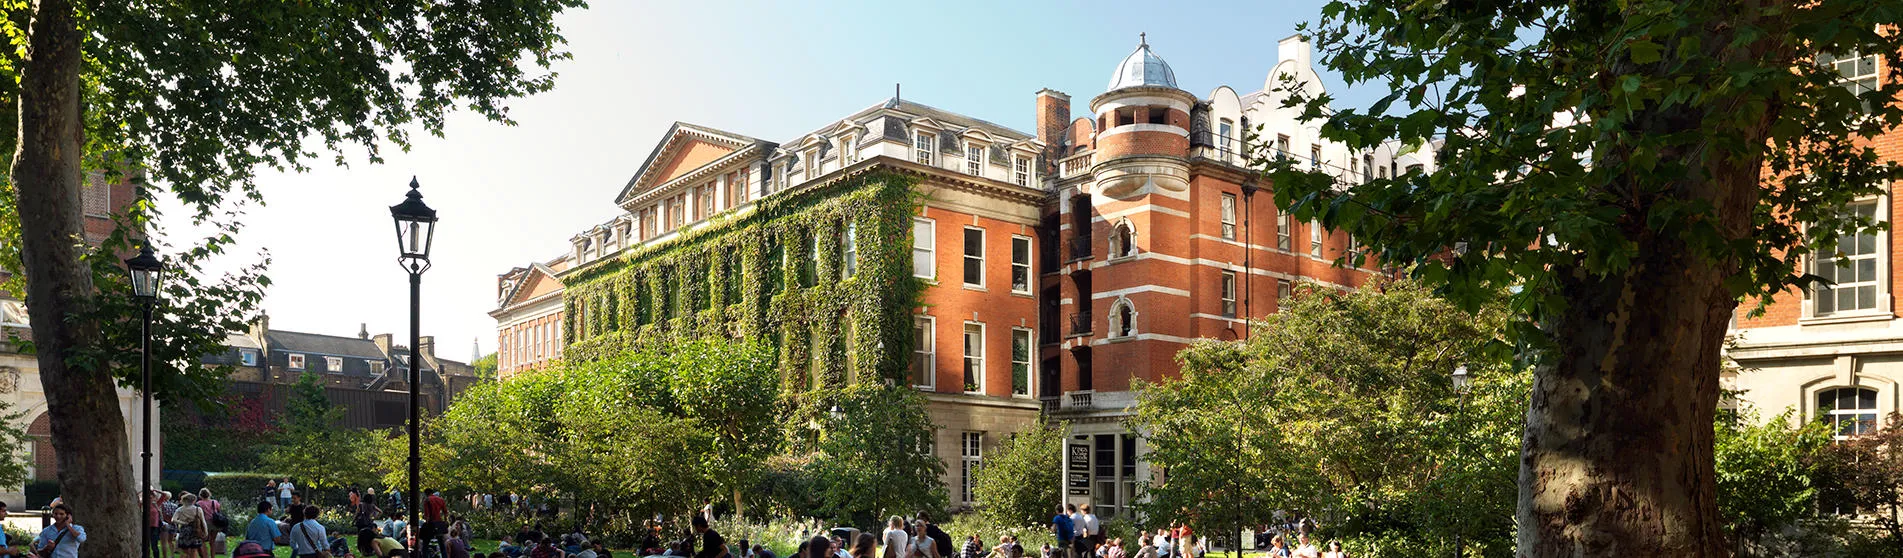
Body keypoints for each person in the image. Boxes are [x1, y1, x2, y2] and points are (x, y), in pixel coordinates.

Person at [173, 493, 211, 558]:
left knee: (184, 551)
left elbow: (174, 519)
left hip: (184, 530)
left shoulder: (180, 509)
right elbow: (203, 521)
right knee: (194, 550)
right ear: (193, 501)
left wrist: (183, 523)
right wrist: (206, 532)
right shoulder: (198, 509)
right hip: (195, 530)